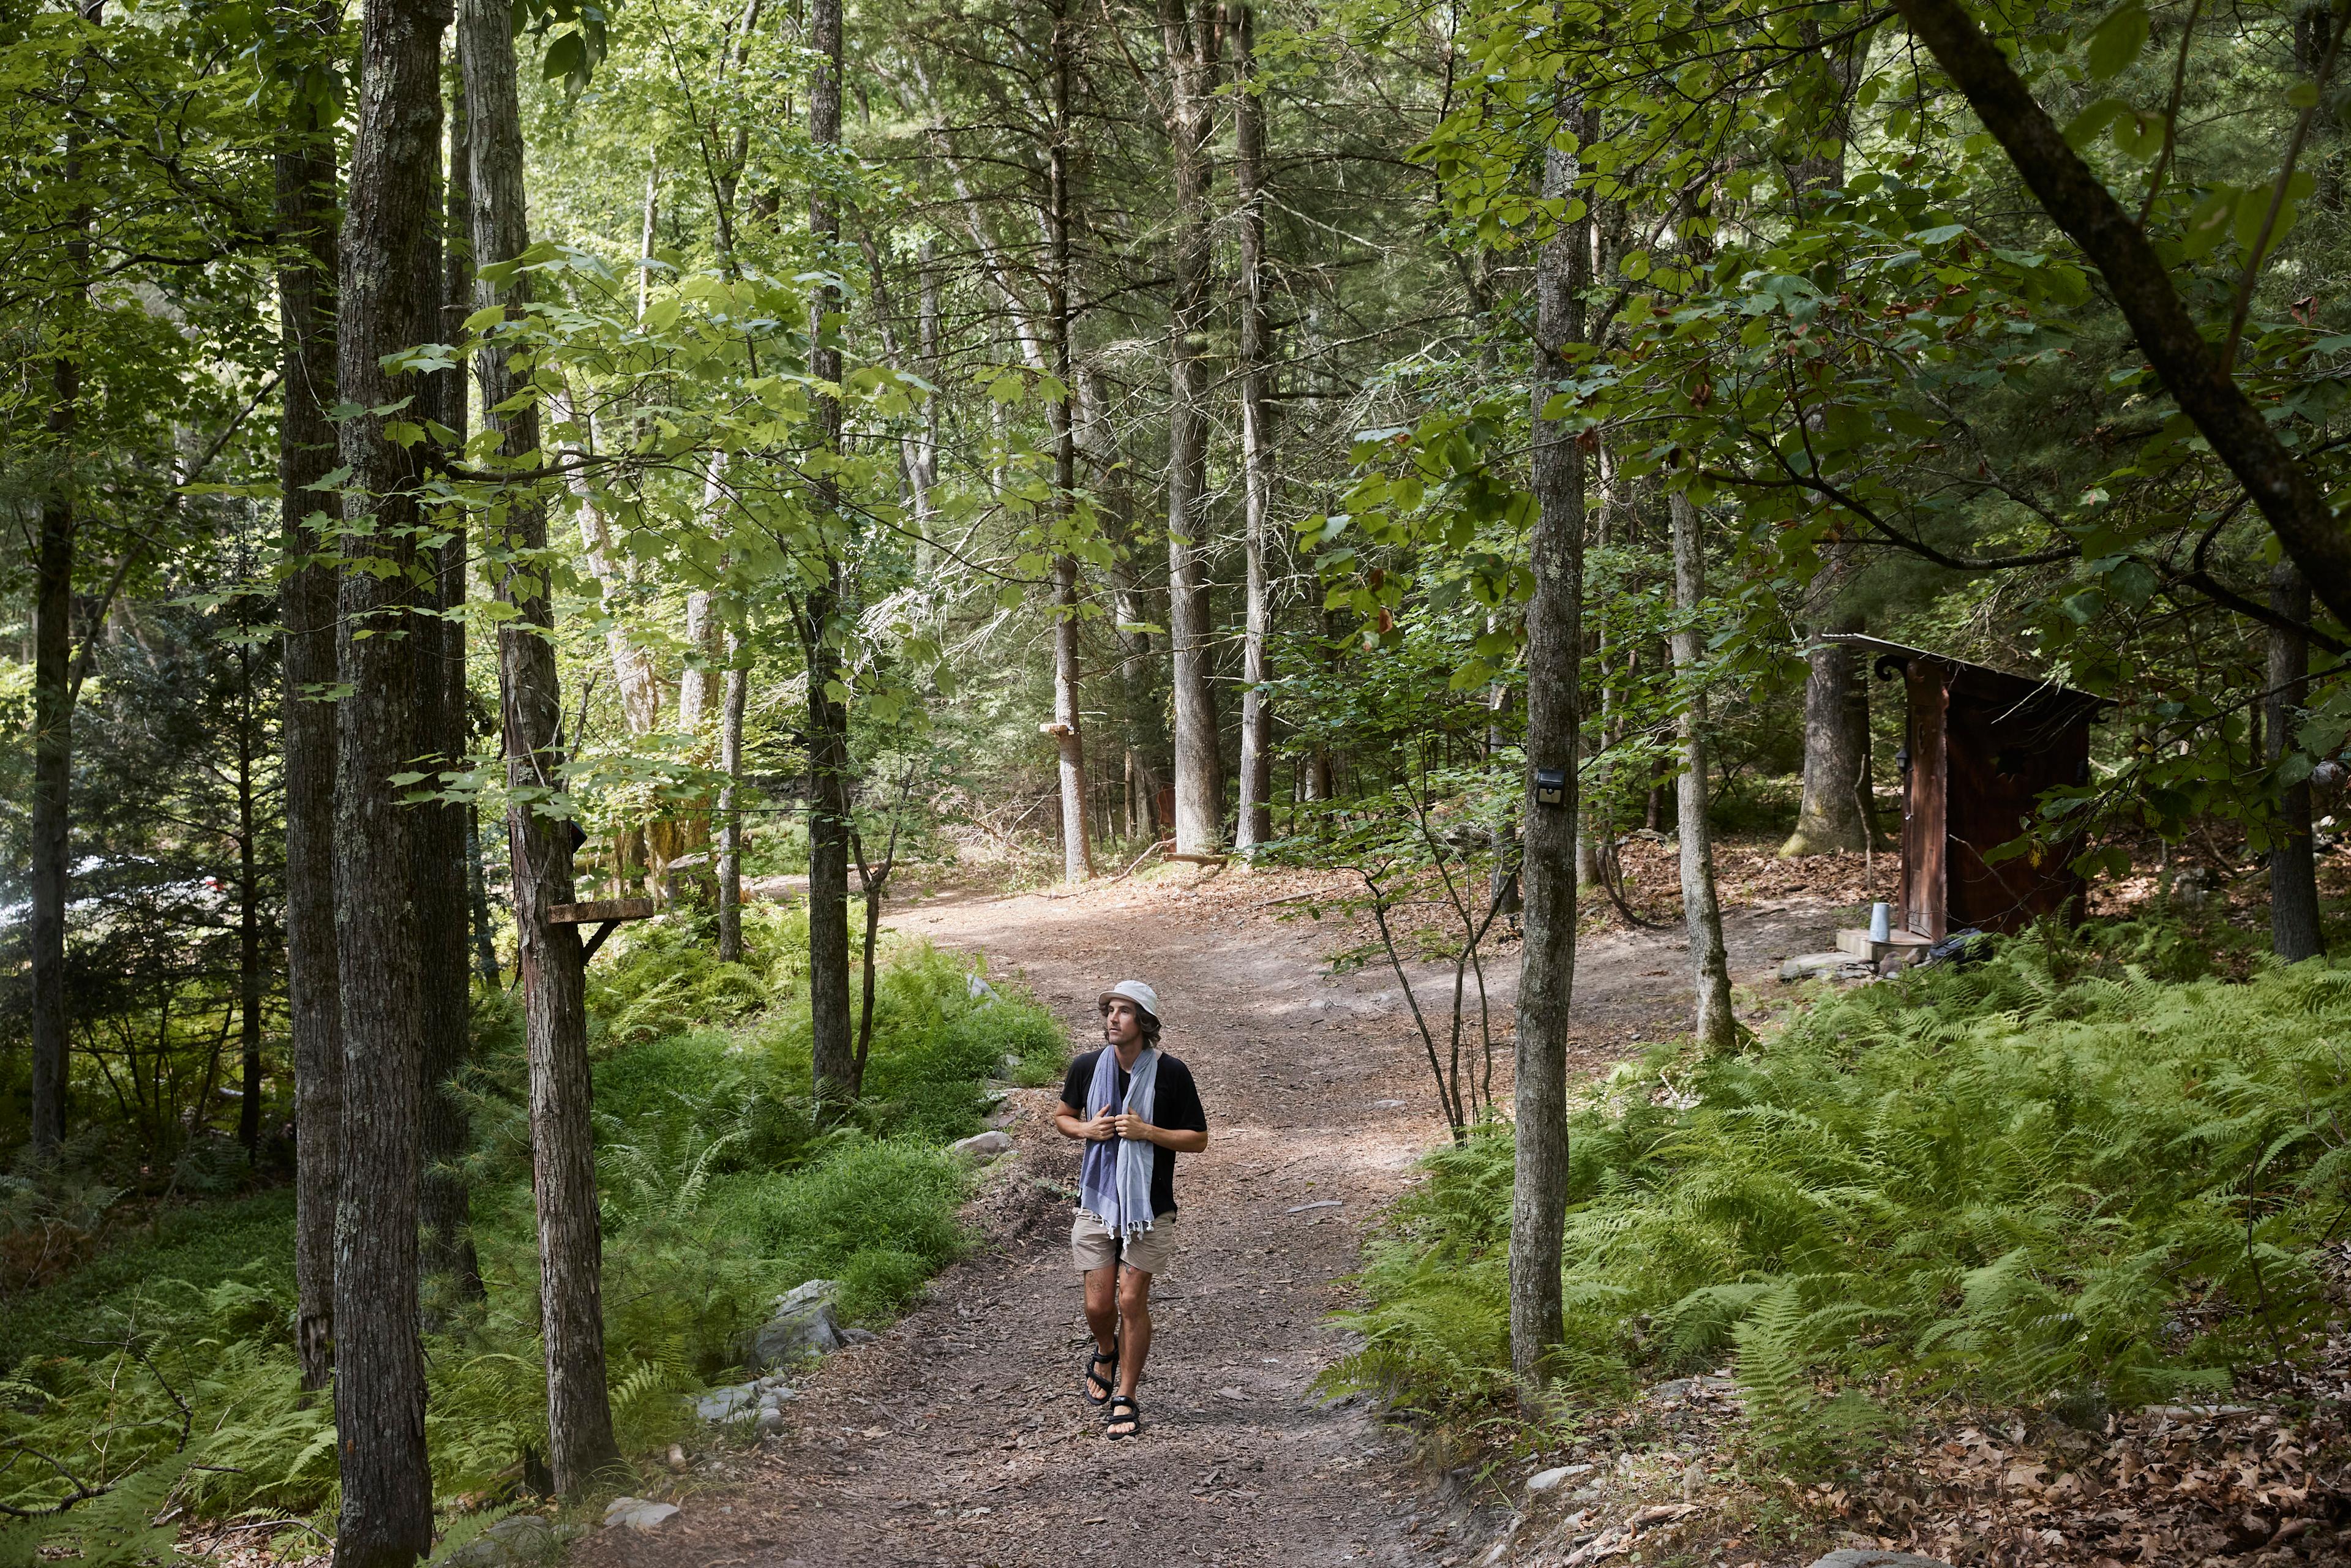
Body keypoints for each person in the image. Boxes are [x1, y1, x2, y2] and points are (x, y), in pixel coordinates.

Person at [1053, 979, 1209, 1439]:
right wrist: (1087, 1129)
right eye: (1109, 1010)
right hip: (1099, 1199)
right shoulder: (1086, 1067)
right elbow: (1062, 1116)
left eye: (1124, 1010)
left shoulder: (1171, 1074)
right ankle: (1106, 1348)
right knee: (1099, 1304)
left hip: (1150, 1205)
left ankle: (1127, 1395)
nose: (1113, 1018)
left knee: (1129, 1299)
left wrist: (1148, 1131)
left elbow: (1198, 1138)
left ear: (1144, 1021)